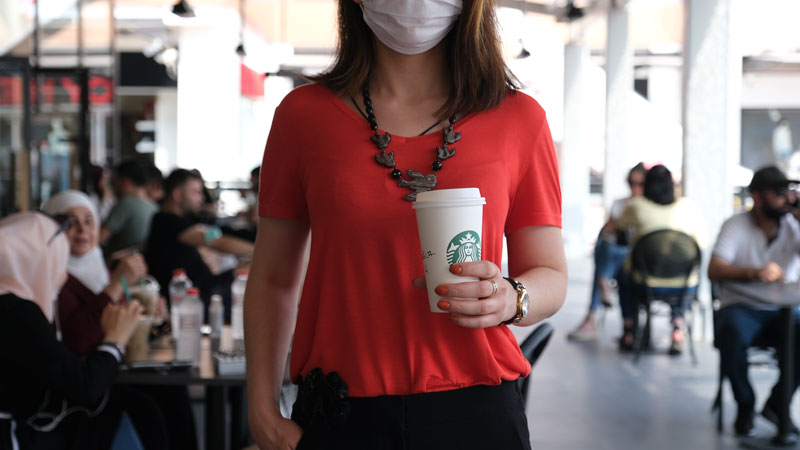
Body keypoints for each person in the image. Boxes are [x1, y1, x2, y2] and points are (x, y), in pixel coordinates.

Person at [244, 1, 568, 449]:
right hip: (341, 414)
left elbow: (551, 274)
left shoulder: (519, 117)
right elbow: (273, 278)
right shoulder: (303, 115)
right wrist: (262, 411)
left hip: (476, 413)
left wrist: (511, 298)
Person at [0, 212, 144, 450]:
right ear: (38, 261)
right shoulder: (15, 312)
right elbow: (85, 388)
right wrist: (115, 340)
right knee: (136, 412)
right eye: (57, 261)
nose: (62, 275)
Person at [708, 165, 800, 437]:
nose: (785, 198)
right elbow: (714, 270)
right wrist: (755, 273)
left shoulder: (793, 226)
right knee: (732, 333)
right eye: (778, 193)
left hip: (784, 309)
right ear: (757, 197)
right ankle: (745, 403)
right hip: (742, 306)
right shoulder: (735, 225)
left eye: (788, 192)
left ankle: (777, 405)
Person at [42, 191, 148, 356]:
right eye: (71, 222)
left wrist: (144, 307)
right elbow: (76, 341)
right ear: (52, 228)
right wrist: (116, 285)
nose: (82, 229)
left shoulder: (100, 268)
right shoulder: (50, 277)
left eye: (88, 221)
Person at [615, 164, 706, 355]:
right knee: (685, 271)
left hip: (644, 284)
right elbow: (701, 246)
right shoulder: (689, 207)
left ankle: (629, 328)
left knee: (622, 274)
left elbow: (619, 233)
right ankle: (677, 324)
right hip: (684, 287)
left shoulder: (636, 205)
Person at [145, 169, 253, 318]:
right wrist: (260, 252)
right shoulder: (165, 220)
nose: (201, 198)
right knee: (254, 266)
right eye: (196, 192)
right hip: (192, 298)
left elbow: (216, 235)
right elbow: (217, 242)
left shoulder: (186, 219)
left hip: (204, 288)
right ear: (177, 194)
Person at [568, 163, 646, 341]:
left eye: (640, 184)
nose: (635, 188)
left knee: (609, 258)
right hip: (616, 254)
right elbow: (607, 232)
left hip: (635, 258)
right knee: (605, 247)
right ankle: (625, 322)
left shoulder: (647, 206)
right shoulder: (620, 203)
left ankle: (598, 300)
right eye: (632, 183)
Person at [101, 160, 159, 259]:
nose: (113, 187)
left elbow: (98, 237)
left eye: (114, 182)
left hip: (116, 264)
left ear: (125, 182)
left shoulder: (126, 204)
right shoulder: (154, 206)